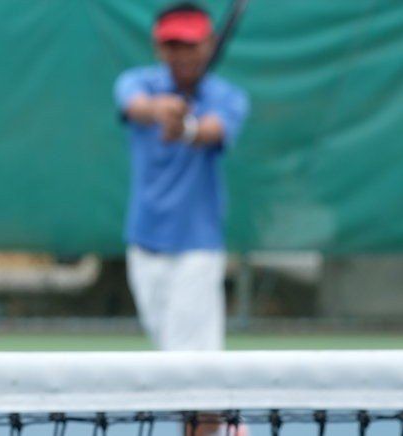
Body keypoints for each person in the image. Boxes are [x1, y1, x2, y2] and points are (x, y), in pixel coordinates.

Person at [114, 2, 249, 352]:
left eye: (191, 44)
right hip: (144, 242)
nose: (183, 54)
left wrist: (186, 129)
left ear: (210, 44)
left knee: (192, 360)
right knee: (168, 351)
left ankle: (208, 410)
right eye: (174, 45)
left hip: (197, 248)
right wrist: (163, 110)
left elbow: (213, 130)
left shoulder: (228, 97)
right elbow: (135, 105)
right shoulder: (137, 82)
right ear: (159, 47)